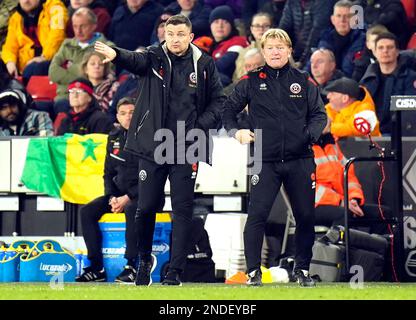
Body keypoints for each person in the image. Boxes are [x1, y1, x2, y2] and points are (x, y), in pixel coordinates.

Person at [94, 14, 225, 286]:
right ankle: (143, 261)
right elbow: (134, 59)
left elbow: (219, 102)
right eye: (170, 33)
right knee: (147, 206)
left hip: (187, 146)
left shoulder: (205, 64)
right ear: (164, 35)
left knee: (182, 210)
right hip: (153, 146)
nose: (175, 39)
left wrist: (199, 125)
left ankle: (175, 272)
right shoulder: (153, 57)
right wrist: (116, 54)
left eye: (180, 34)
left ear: (190, 37)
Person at [223, 28, 327, 287]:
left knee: (305, 216)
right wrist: (237, 132)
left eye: (281, 47)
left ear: (289, 50)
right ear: (263, 51)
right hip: (263, 160)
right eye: (270, 47)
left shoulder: (303, 80)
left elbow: (319, 115)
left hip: (300, 159)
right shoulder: (250, 80)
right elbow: (227, 110)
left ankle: (302, 270)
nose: (275, 52)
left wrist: (307, 137)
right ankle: (252, 272)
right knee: (257, 215)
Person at [76, 97, 141, 283]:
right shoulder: (113, 138)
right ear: (117, 117)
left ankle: (131, 267)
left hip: (145, 195)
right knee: (87, 211)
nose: (128, 117)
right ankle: (97, 268)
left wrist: (128, 197)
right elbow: (108, 172)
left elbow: (153, 176)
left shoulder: (149, 137)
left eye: (132, 112)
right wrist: (112, 196)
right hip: (118, 195)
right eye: (123, 113)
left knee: (131, 209)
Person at [313, 125, 392, 235]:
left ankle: (376, 250)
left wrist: (353, 199)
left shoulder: (330, 143)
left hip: (343, 203)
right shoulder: (299, 148)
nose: (329, 120)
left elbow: (349, 176)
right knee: (345, 214)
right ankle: (341, 251)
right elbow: (308, 189)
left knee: (383, 214)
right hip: (311, 206)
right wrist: (341, 202)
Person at [48, 7, 113, 114]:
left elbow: (104, 75)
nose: (78, 31)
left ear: (94, 26)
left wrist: (70, 69)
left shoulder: (107, 48)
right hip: (64, 96)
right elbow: (53, 72)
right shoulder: (66, 45)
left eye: (83, 26)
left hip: (90, 98)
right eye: (75, 26)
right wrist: (84, 77)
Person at [360, 32, 416, 135]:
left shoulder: (411, 78)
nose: (385, 51)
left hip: (401, 135)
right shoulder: (367, 79)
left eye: (390, 47)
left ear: (398, 52)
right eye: (381, 48)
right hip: (373, 133)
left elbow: (410, 114)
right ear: (374, 52)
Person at [1, 0, 68, 83]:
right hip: (24, 68)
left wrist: (44, 57)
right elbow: (9, 46)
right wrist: (10, 62)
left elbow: (58, 35)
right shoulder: (16, 18)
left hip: (53, 61)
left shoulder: (56, 8)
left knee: (33, 69)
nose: (26, 1)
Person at [193, 5, 248, 86]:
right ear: (210, 25)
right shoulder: (205, 42)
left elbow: (222, 66)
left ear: (231, 26)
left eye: (225, 22)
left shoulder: (239, 41)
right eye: (216, 22)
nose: (220, 26)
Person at [316, 0, 366, 78]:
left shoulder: (362, 40)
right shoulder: (326, 38)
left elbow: (353, 73)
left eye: (347, 16)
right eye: (339, 16)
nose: (342, 20)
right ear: (332, 19)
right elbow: (314, 64)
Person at [233, 12, 272, 82]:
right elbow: (239, 76)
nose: (261, 29)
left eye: (265, 26)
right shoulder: (243, 52)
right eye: (257, 26)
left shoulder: (281, 49)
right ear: (252, 29)